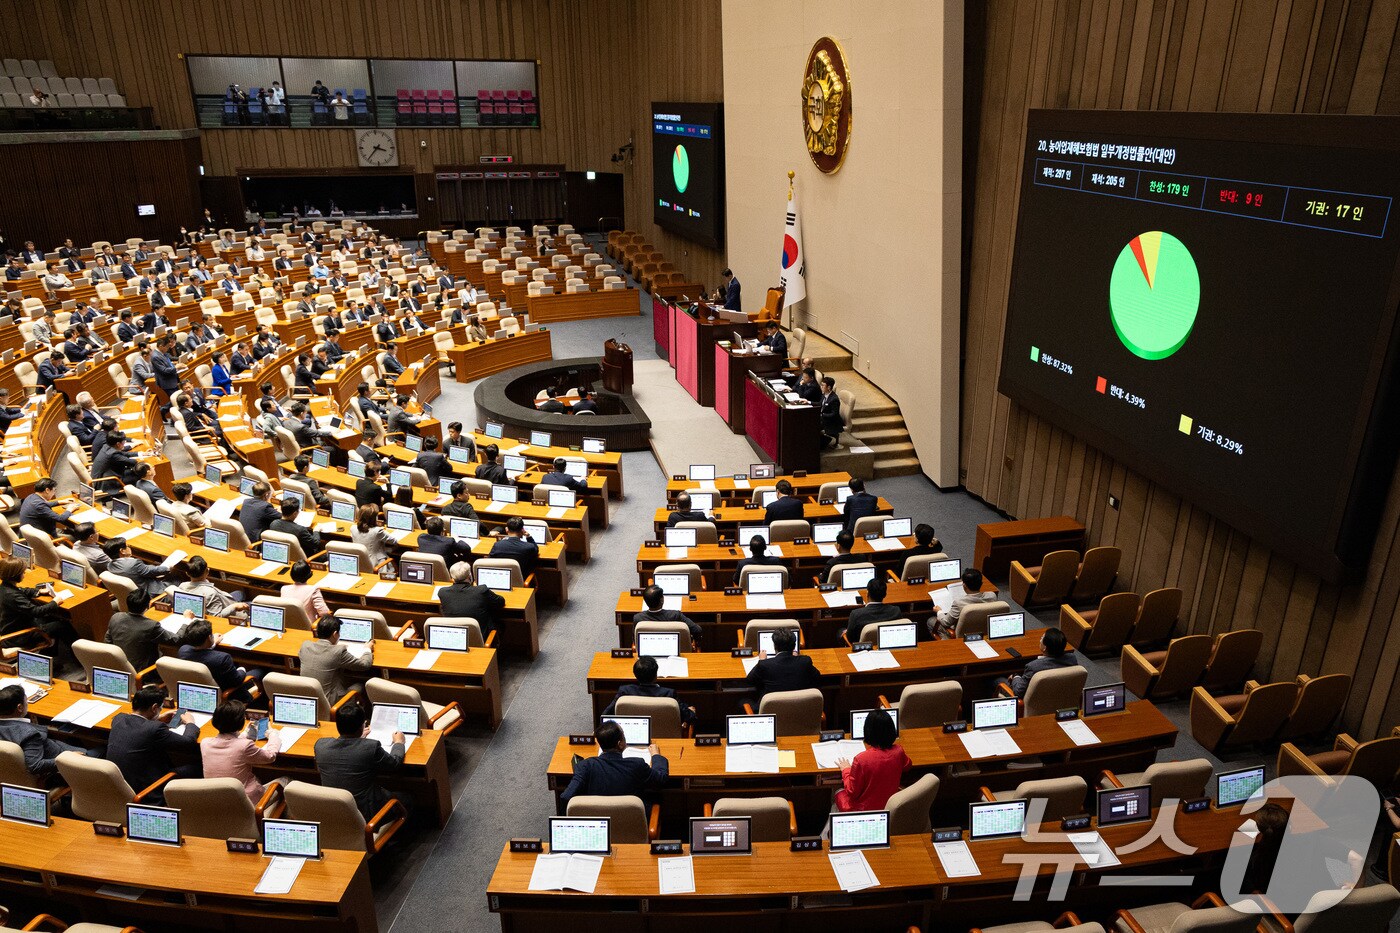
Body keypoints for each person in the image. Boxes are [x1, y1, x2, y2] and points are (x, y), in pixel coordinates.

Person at [313, 701, 409, 821]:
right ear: (361, 727)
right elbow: (394, 764)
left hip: (334, 811)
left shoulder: (320, 746)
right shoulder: (371, 747)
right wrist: (399, 742)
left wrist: (356, 738)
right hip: (365, 814)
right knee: (408, 799)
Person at [107, 685, 201, 803]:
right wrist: (190, 723)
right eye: (160, 708)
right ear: (154, 707)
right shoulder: (155, 729)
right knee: (198, 767)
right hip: (147, 790)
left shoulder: (118, 718)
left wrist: (156, 718)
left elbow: (137, 726)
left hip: (120, 786)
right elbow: (188, 743)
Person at [559, 720, 669, 808]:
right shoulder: (637, 765)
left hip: (599, 822)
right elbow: (661, 779)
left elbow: (566, 797)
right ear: (620, 744)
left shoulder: (585, 766)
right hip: (632, 823)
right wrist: (656, 755)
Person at [201, 700, 283, 805]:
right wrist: (273, 736)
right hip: (246, 803)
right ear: (240, 722)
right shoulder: (245, 746)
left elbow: (229, 744)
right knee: (285, 780)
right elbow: (270, 757)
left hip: (217, 802)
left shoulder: (205, 743)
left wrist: (243, 735)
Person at [0, 684, 87, 782]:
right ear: (19, 707)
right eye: (26, 700)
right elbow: (35, 766)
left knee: (73, 739)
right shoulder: (29, 734)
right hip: (63, 763)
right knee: (98, 750)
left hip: (48, 749)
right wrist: (68, 760)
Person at [834, 707, 911, 811]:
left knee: (838, 791)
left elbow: (852, 792)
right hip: (890, 806)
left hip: (864, 810)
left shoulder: (861, 759)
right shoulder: (899, 751)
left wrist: (846, 769)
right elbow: (907, 765)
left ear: (868, 731)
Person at [602, 655, 698, 725]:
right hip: (667, 736)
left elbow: (605, 716)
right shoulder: (669, 694)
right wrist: (691, 711)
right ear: (656, 675)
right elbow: (690, 718)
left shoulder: (625, 691)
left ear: (635, 674)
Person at [105, 588, 183, 673]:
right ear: (147, 606)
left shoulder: (115, 617)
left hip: (117, 667)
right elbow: (176, 639)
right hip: (144, 672)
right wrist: (186, 622)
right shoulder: (151, 626)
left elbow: (107, 642)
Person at [298, 616, 372, 705]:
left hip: (306, 699)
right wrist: (367, 649)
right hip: (329, 703)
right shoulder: (338, 652)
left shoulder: (305, 646)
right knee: (361, 685)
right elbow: (365, 665)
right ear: (335, 634)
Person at [179, 620, 257, 700]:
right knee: (259, 671)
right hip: (229, 695)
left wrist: (212, 644)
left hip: (198, 693)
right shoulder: (222, 659)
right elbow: (237, 680)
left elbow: (201, 653)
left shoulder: (183, 651)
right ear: (209, 638)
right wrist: (242, 668)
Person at [438, 561, 506, 640]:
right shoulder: (481, 590)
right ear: (470, 576)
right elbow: (500, 602)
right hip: (481, 638)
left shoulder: (442, 592)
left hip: (455, 637)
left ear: (452, 577)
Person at [1002, 627, 1078, 698]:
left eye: (1041, 638)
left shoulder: (1034, 667)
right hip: (1062, 699)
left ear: (1044, 648)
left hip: (1033, 703)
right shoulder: (1072, 659)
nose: (1040, 640)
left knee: (998, 680)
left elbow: (1019, 692)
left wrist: (1015, 677)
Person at [745, 628, 818, 699]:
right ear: (794, 646)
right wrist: (797, 658)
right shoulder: (805, 661)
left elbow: (749, 681)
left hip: (772, 706)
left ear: (775, 646)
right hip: (800, 706)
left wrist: (761, 660)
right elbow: (817, 677)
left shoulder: (765, 664)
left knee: (743, 700)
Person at [930, 568, 998, 637]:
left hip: (962, 636)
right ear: (981, 583)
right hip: (985, 633)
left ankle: (945, 639)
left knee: (931, 620)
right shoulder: (992, 596)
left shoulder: (959, 603)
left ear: (964, 585)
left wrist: (939, 611)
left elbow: (946, 622)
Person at [176, 556, 248, 617]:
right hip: (230, 610)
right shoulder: (210, 593)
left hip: (221, 600)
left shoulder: (182, 586)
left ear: (187, 573)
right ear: (207, 571)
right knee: (250, 604)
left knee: (240, 593)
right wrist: (234, 606)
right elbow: (217, 616)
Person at [632, 583, 702, 645]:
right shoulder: (675, 615)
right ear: (661, 600)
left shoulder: (638, 618)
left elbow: (635, 640)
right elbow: (697, 630)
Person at [844, 576, 903, 644]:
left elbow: (850, 639)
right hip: (888, 645)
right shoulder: (896, 611)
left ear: (867, 594)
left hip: (863, 648)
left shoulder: (856, 614)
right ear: (885, 595)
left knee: (840, 631)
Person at [105, 538, 171, 599]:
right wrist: (169, 567)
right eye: (127, 546)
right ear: (122, 551)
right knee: (174, 577)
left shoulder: (109, 566)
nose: (129, 548)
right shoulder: (134, 563)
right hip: (150, 593)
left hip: (133, 596)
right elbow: (154, 571)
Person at [352, 505, 396, 570]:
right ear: (374, 518)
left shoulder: (353, 528)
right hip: (376, 565)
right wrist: (384, 530)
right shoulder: (377, 531)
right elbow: (393, 541)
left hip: (358, 562)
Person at [819, 376, 844, 450]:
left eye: (823, 385)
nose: (821, 387)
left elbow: (834, 414)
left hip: (832, 422)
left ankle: (822, 443)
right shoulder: (824, 394)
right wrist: (809, 402)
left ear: (829, 387)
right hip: (824, 418)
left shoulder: (834, 399)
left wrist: (822, 415)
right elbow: (819, 404)